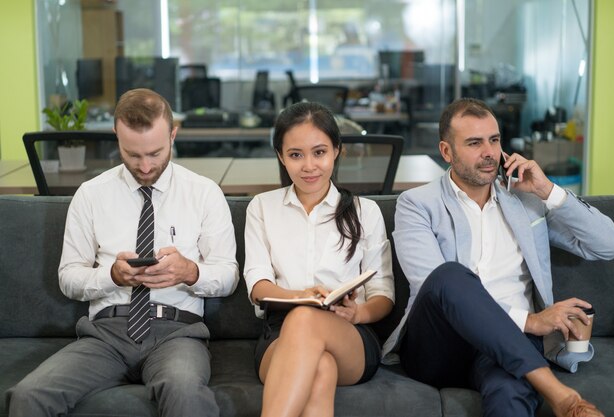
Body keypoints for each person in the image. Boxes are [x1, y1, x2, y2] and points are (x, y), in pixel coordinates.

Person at [382, 98, 614, 417]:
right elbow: (434, 286)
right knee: (450, 276)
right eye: (474, 143)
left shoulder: (525, 201)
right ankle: (558, 393)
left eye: (494, 140)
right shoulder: (416, 204)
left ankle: (544, 384)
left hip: (512, 349)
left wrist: (547, 190)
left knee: (510, 390)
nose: (489, 152)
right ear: (446, 152)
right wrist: (532, 321)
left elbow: (609, 244)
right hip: (442, 346)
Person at [7, 88, 239, 417]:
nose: (145, 166)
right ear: (117, 136)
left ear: (173, 134)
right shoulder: (90, 195)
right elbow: (68, 278)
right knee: (29, 395)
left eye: (156, 153)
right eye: (132, 154)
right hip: (104, 335)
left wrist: (190, 271)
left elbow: (228, 275)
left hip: (177, 333)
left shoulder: (204, 194)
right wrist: (111, 276)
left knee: (184, 391)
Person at [244, 101, 395, 417]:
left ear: (337, 151)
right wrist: (302, 296)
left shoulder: (365, 212)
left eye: (319, 152)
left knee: (306, 319)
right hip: (278, 333)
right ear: (281, 157)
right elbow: (258, 286)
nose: (309, 165)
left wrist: (358, 313)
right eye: (295, 155)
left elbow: (384, 296)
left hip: (349, 333)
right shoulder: (261, 207)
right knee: (321, 367)